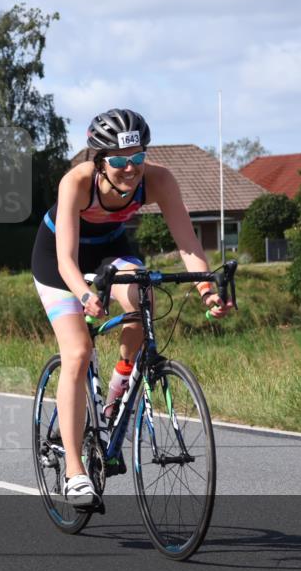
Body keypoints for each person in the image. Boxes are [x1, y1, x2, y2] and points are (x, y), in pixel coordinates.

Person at [30, 108, 233, 507]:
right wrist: (85, 296)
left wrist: (208, 291)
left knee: (145, 296)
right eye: (120, 161)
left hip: (111, 252)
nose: (130, 169)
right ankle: (74, 471)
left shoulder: (159, 180)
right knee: (78, 351)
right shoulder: (76, 182)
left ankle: (120, 385)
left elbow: (189, 244)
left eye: (137, 159)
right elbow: (67, 261)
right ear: (99, 161)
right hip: (58, 261)